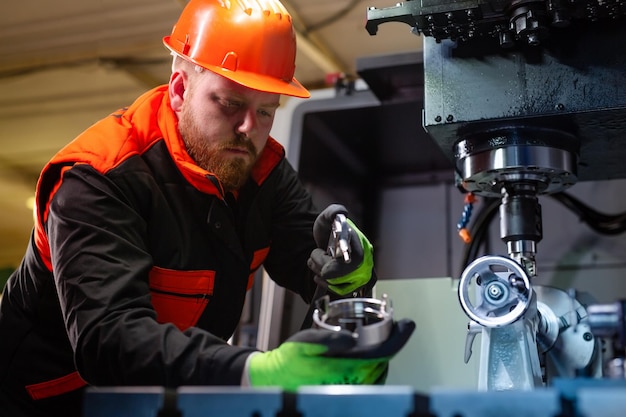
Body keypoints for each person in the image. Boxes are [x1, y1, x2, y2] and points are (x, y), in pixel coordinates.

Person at [0, 1, 415, 416]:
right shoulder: (98, 179)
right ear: (179, 90)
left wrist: (350, 277)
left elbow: (316, 265)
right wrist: (259, 372)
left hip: (167, 397)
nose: (249, 129)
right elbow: (109, 339)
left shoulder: (261, 170)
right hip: (46, 402)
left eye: (266, 110)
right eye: (231, 104)